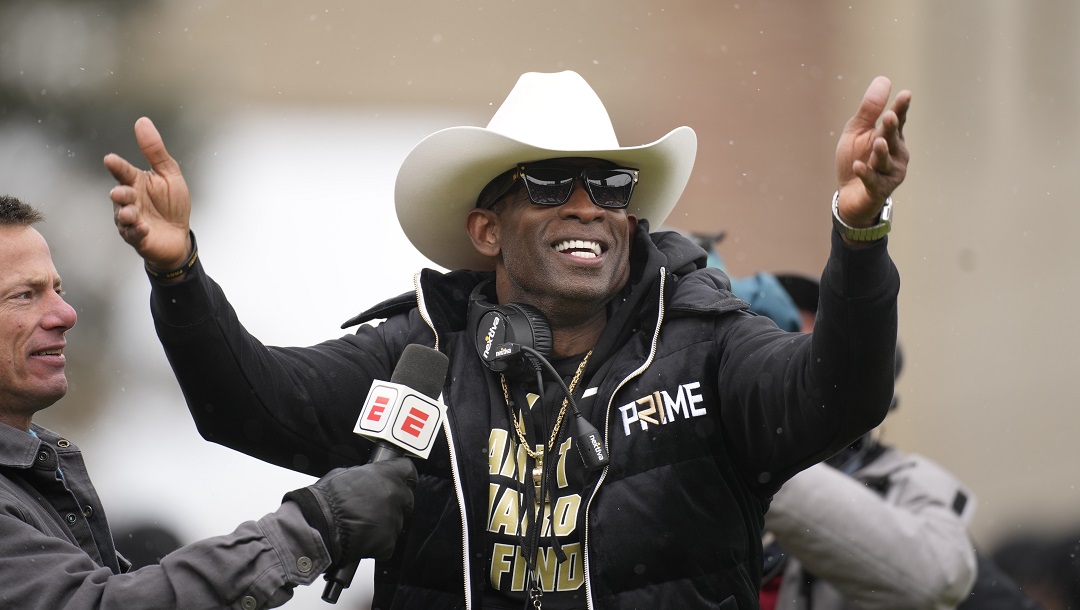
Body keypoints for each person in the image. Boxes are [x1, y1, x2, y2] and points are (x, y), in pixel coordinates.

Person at [103, 70, 908, 609]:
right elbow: (247, 405)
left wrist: (860, 231)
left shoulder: (709, 342)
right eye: (553, 183)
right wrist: (180, 278)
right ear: (487, 230)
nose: (589, 204)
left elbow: (839, 395)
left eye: (612, 185)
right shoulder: (417, 355)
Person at [0, 195, 417, 609]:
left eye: (58, 289)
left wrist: (177, 271)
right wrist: (312, 527)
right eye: (24, 295)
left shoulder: (38, 469)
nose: (66, 313)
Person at [744, 272, 1040, 610]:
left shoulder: (902, 486)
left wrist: (760, 463)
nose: (794, 359)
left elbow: (945, 582)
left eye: (803, 337)